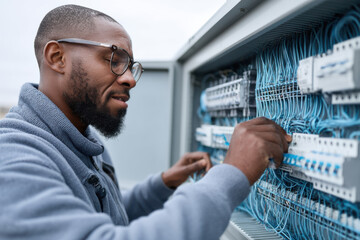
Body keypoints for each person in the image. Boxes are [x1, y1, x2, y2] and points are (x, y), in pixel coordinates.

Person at [0, 4, 291, 240]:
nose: (129, 78)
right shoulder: (15, 158)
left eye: (130, 66)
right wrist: (233, 173)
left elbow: (104, 216)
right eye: (113, 58)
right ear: (57, 57)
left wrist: (162, 185)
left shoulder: (80, 138)